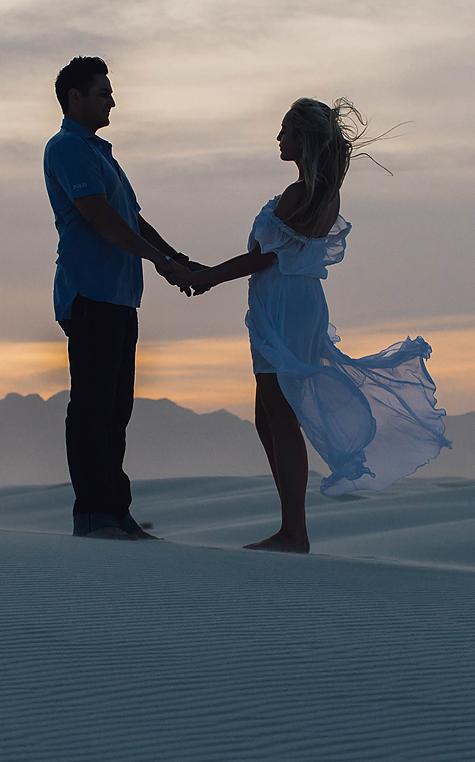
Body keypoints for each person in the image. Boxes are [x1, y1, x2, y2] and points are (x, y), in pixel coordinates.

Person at [186, 98, 449, 551]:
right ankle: (292, 527)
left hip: (285, 306)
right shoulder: (321, 192)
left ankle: (294, 531)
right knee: (267, 419)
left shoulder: (300, 194)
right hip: (294, 303)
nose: (278, 137)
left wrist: (203, 277)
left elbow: (263, 256)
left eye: (285, 129)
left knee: (279, 417)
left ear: (303, 138)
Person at [44, 57, 202, 541]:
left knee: (116, 412)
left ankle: (115, 512)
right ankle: (93, 515)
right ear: (75, 97)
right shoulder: (68, 148)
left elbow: (130, 218)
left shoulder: (103, 154)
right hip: (90, 294)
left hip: (119, 298)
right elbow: (99, 218)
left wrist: (173, 257)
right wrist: (160, 260)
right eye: (102, 92)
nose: (112, 99)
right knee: (92, 410)